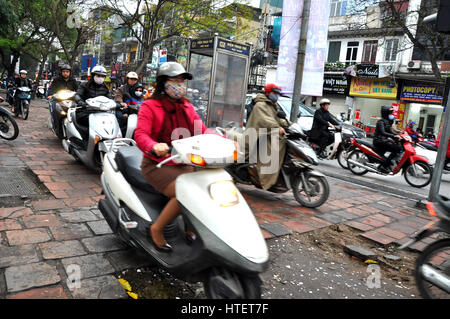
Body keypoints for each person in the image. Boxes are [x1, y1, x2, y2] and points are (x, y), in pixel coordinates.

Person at [134, 62, 215, 252]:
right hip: (157, 164)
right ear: (163, 83)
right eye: (175, 80)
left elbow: (202, 130)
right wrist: (153, 145)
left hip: (183, 162)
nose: (180, 84)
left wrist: (225, 140)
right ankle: (156, 229)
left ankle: (189, 226)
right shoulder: (149, 106)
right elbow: (140, 134)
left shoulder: (187, 106)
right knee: (184, 194)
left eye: (182, 81)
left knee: (204, 189)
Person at [244, 83, 289, 190]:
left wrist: (289, 124)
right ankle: (265, 179)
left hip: (266, 134)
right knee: (272, 150)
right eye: (275, 93)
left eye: (278, 93)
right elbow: (265, 121)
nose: (277, 95)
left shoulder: (271, 105)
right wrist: (277, 128)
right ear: (268, 92)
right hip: (257, 135)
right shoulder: (261, 105)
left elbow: (276, 118)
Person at [74, 65, 112, 141]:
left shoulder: (106, 88)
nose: (100, 78)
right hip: (85, 111)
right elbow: (77, 95)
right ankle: (85, 140)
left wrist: (116, 104)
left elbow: (110, 99)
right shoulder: (84, 85)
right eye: (98, 75)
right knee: (90, 123)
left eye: (102, 76)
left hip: (101, 113)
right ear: (93, 75)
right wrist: (80, 102)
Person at [373, 105, 402, 173]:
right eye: (390, 113)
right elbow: (383, 132)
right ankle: (385, 166)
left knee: (397, 147)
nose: (392, 115)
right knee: (395, 149)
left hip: (383, 140)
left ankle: (384, 163)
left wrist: (397, 134)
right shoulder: (381, 122)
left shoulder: (387, 122)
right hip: (378, 140)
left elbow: (390, 131)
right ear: (386, 113)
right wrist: (393, 136)